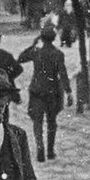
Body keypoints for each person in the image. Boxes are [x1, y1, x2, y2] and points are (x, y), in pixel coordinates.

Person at [18, 24, 72, 164]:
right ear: (54, 38)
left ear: (42, 37)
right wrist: (68, 91)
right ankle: (50, 150)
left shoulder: (36, 52)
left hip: (37, 91)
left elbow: (21, 58)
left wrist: (33, 44)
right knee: (52, 122)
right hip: (53, 91)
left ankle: (40, 147)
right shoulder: (58, 54)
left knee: (37, 121)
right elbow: (63, 73)